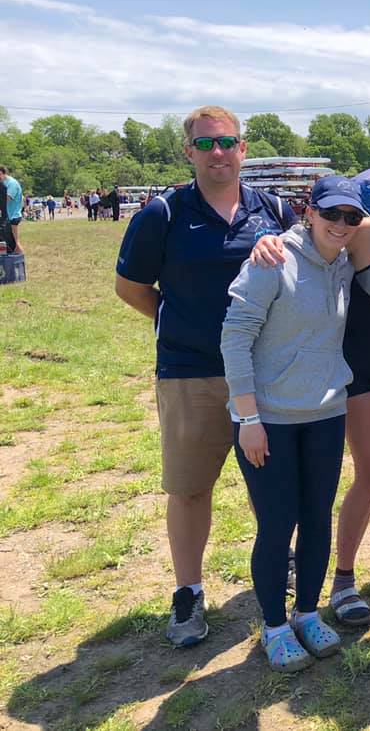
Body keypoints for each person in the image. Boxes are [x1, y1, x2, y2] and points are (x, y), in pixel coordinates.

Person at [114, 105, 296, 648]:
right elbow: (131, 287)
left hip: (265, 373)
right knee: (191, 489)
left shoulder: (276, 210)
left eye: (228, 143)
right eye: (206, 144)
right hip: (191, 373)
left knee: (274, 485)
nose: (218, 153)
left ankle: (278, 564)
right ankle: (189, 592)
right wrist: (187, 325)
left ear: (243, 149)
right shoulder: (163, 214)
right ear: (189, 151)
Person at [249, 156, 370, 623]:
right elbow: (316, 240)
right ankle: (343, 577)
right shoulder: (367, 231)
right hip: (359, 368)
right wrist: (267, 240)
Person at [220, 176, 359, 672]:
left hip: (326, 413)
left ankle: (306, 613)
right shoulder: (272, 259)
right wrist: (249, 417)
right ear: (310, 212)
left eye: (351, 217)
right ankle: (274, 626)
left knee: (318, 519)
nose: (341, 225)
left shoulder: (345, 263)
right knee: (278, 525)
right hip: (270, 419)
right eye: (332, 214)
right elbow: (235, 337)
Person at [0, 167, 25, 254]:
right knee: (7, 242)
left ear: (3, 173)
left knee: (14, 243)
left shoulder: (12, 183)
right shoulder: (2, 183)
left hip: (13, 216)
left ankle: (17, 261)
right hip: (6, 217)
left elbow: (7, 198)